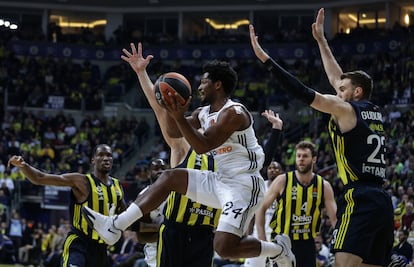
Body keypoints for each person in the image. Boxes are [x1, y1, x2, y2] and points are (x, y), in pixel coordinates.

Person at [82, 43, 296, 267]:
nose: (199, 87)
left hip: (242, 185)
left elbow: (204, 144)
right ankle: (114, 226)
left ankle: (278, 250)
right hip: (202, 201)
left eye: (204, 82)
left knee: (223, 248)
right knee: (168, 177)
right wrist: (167, 104)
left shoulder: (234, 113)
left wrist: (179, 116)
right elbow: (173, 128)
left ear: (218, 84)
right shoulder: (201, 116)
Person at [249, 7, 394, 267]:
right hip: (382, 199)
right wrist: (321, 41)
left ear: (356, 92)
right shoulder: (372, 111)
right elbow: (337, 78)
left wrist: (267, 61)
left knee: (342, 264)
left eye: (342, 90)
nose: (337, 91)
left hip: (359, 197)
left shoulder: (345, 108)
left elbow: (303, 91)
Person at [124, 42, 220, 267]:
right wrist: (141, 73)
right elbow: (160, 110)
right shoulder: (183, 147)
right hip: (176, 230)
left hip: (205, 234)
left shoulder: (226, 158)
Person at [7, 144, 126, 267]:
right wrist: (23, 165)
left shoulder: (117, 186)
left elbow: (126, 216)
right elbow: (40, 178)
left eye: (109, 155)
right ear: (93, 160)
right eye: (101, 155)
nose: (106, 158)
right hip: (79, 243)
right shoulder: (81, 181)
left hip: (101, 249)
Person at [256, 140, 337, 267]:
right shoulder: (283, 181)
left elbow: (334, 218)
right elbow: (260, 209)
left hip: (307, 243)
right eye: (298, 156)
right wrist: (263, 242)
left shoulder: (323, 185)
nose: (301, 159)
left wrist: (338, 244)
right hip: (282, 242)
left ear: (314, 159)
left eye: (305, 156)